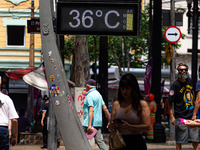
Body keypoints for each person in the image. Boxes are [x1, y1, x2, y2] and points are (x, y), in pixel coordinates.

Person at [110, 73, 150, 150]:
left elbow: (147, 127)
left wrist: (130, 127)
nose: (124, 92)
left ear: (133, 89)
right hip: (119, 142)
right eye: (122, 89)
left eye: (128, 89)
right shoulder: (116, 104)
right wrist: (113, 125)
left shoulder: (142, 104)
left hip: (136, 143)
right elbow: (111, 126)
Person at [168, 63, 199, 150]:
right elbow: (170, 102)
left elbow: (193, 94)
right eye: (181, 70)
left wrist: (195, 113)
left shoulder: (190, 81)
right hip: (180, 117)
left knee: (195, 139)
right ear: (178, 72)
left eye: (185, 69)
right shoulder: (175, 85)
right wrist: (172, 117)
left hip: (192, 116)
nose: (184, 71)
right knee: (180, 140)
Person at [83, 79, 111, 150]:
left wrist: (89, 125)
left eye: (86, 85)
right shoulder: (98, 95)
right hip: (98, 123)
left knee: (83, 140)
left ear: (88, 86)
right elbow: (105, 109)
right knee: (100, 141)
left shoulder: (89, 95)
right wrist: (110, 121)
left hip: (89, 124)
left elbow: (91, 109)